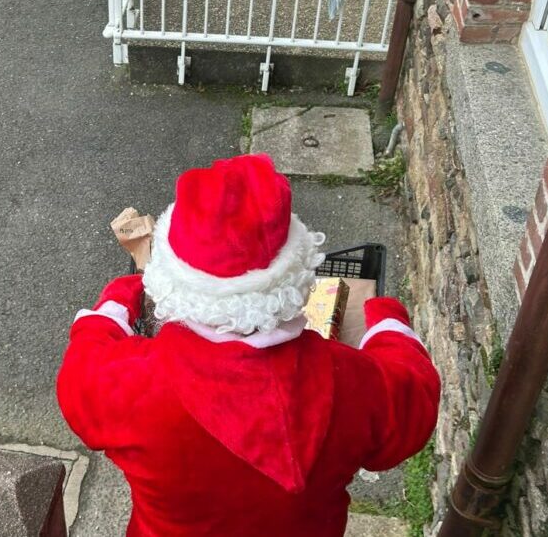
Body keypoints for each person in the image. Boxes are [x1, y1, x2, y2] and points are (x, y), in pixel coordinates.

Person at [57, 154, 440, 536]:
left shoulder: (125, 385)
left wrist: (122, 294)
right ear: (297, 271)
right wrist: (386, 316)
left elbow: (85, 359)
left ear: (171, 279)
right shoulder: (356, 385)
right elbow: (415, 399)